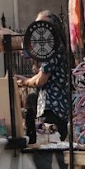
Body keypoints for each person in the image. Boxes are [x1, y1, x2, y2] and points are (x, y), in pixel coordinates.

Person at [16, 11, 70, 140]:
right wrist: (28, 80)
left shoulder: (55, 49)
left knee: (50, 150)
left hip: (52, 109)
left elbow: (41, 80)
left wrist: (25, 82)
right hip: (56, 108)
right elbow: (42, 75)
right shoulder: (56, 48)